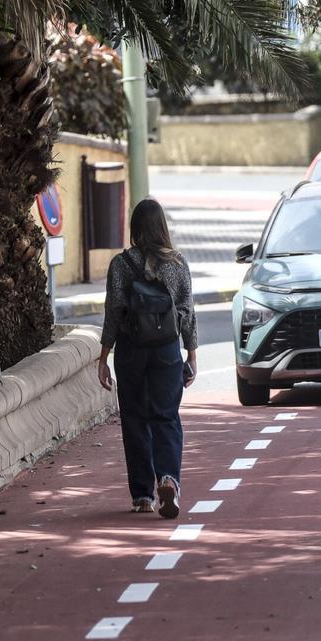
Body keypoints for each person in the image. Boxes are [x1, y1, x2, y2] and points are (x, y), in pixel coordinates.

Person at [97, 198, 198, 519]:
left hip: (131, 350)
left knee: (135, 419)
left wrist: (103, 356)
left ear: (134, 228)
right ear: (162, 227)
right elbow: (187, 312)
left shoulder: (121, 264)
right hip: (167, 350)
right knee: (166, 416)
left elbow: (113, 311)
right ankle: (168, 477)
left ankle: (142, 495)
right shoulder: (177, 264)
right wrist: (191, 353)